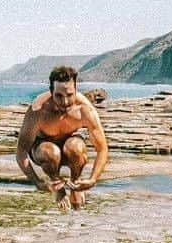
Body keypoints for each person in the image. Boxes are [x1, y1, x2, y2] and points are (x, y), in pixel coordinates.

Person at [15, 65, 109, 210]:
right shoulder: (38, 110)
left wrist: (92, 179)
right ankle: (57, 185)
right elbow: (21, 151)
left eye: (70, 95)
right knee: (51, 152)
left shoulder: (85, 109)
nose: (65, 102)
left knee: (76, 148)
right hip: (43, 149)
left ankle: (75, 183)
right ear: (51, 91)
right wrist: (38, 182)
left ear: (76, 89)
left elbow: (102, 149)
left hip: (70, 147)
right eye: (59, 96)